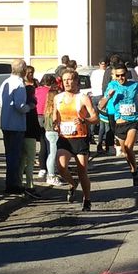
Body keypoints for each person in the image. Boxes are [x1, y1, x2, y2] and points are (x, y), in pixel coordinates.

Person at [54, 69, 97, 211]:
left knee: (82, 170)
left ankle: (87, 199)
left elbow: (95, 118)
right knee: (60, 167)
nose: (67, 82)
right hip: (64, 138)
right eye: (64, 79)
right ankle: (73, 184)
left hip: (80, 138)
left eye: (70, 79)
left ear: (76, 81)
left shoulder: (83, 98)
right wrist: (55, 123)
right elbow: (55, 116)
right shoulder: (57, 98)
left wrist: (84, 120)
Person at [99, 58, 138, 186]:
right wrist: (109, 96)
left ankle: (134, 172)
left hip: (133, 121)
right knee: (125, 151)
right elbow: (101, 105)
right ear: (114, 76)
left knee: (129, 147)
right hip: (119, 123)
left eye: (122, 75)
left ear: (127, 74)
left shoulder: (134, 85)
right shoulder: (112, 86)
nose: (120, 78)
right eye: (118, 75)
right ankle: (135, 169)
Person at [0, 59, 32, 195]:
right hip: (16, 124)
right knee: (15, 156)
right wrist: (29, 107)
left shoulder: (5, 82)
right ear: (24, 70)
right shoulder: (19, 84)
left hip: (6, 122)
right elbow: (20, 105)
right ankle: (13, 184)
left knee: (10, 155)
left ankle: (10, 182)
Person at [19, 65, 43, 198]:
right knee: (30, 160)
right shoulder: (31, 107)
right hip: (30, 133)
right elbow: (34, 122)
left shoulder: (25, 105)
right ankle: (30, 185)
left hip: (21, 131)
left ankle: (20, 183)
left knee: (22, 159)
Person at [38, 74, 63, 186]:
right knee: (52, 153)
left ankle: (47, 171)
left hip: (47, 129)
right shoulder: (54, 109)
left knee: (47, 150)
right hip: (53, 131)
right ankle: (51, 175)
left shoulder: (47, 108)